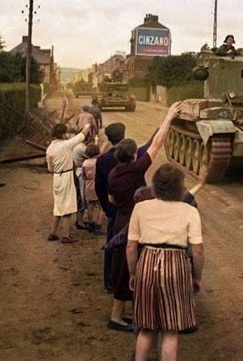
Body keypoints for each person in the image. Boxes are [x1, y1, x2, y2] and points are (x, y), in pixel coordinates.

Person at [107, 102, 182, 332]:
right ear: (132, 155)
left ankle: (121, 314)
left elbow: (110, 200)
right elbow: (157, 144)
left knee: (121, 267)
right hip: (134, 222)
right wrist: (169, 116)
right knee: (134, 268)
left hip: (119, 219)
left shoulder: (113, 172)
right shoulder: (136, 169)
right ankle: (119, 317)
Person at [126, 164, 205, 361]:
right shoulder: (189, 211)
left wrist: (133, 273)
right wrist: (197, 277)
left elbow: (130, 246)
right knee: (171, 330)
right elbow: (197, 250)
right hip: (176, 264)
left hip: (147, 261)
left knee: (147, 327)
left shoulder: (141, 208)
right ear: (180, 187)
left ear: (155, 185)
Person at [46, 122, 91, 244]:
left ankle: (53, 232)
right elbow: (81, 136)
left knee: (58, 205)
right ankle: (65, 235)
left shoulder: (50, 148)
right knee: (68, 206)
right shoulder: (65, 145)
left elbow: (50, 168)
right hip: (66, 175)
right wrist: (87, 126)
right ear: (63, 134)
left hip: (56, 177)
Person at [95, 122, 127, 291]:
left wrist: (106, 207)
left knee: (111, 243)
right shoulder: (132, 156)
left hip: (113, 206)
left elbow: (98, 187)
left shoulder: (102, 159)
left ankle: (109, 281)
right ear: (124, 136)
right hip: (130, 207)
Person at [82, 143, 103, 235]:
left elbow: (84, 176)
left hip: (88, 185)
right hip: (98, 184)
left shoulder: (85, 163)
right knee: (101, 206)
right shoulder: (98, 162)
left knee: (90, 205)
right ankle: (99, 224)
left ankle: (91, 223)